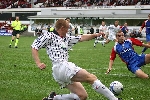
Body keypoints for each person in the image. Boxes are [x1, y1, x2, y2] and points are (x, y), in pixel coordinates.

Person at [31, 19, 121, 100]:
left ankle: (53, 98)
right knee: (92, 78)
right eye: (67, 28)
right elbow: (34, 46)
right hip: (61, 67)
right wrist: (38, 63)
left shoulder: (66, 38)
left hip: (60, 71)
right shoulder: (49, 36)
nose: (68, 30)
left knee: (82, 96)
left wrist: (95, 35)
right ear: (62, 28)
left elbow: (81, 38)